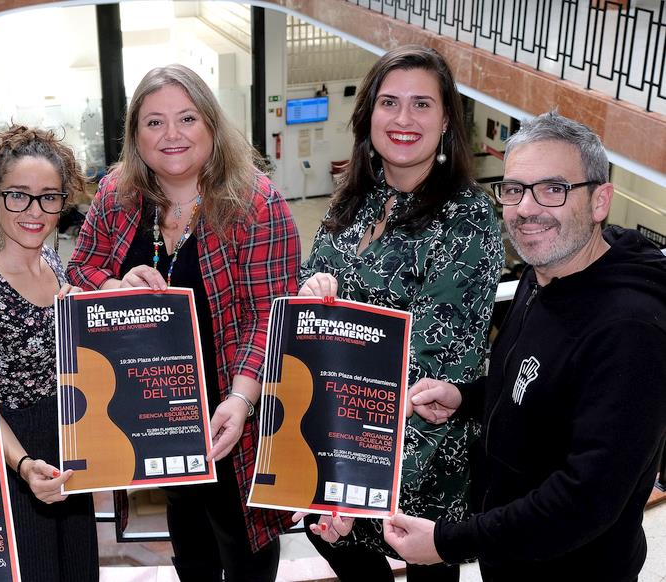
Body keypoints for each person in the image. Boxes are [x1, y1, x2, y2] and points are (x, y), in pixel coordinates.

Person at [382, 112, 666, 581]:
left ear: (600, 201)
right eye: (514, 189)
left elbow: (584, 499)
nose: (526, 208)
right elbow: (541, 383)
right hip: (515, 555)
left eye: (553, 188)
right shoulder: (549, 272)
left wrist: (448, 542)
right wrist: (467, 398)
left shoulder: (630, 331)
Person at [67, 64, 300, 581]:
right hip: (155, 414)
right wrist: (113, 287)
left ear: (212, 126)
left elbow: (274, 315)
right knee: (189, 542)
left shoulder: (257, 204)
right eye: (154, 122)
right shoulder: (117, 194)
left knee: (243, 544)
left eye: (187, 118)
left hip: (235, 415)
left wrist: (240, 401)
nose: (171, 135)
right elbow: (82, 268)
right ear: (135, 135)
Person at [298, 45, 503, 582]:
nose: (404, 119)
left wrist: (353, 485)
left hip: (415, 468)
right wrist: (312, 290)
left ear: (446, 122)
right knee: (341, 555)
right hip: (340, 443)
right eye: (389, 102)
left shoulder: (467, 218)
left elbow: (439, 367)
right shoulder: (357, 198)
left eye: (421, 105)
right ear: (369, 114)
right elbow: (315, 296)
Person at [0, 125, 98, 581]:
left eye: (49, 197)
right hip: (20, 456)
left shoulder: (55, 264)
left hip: (70, 442)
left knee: (78, 568)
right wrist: (26, 466)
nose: (35, 211)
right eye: (19, 195)